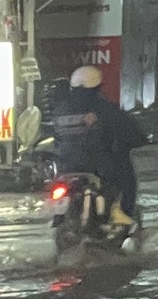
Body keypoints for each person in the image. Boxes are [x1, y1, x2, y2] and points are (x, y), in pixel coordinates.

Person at [51, 63, 145, 224]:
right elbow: (130, 130)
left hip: (66, 166)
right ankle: (123, 214)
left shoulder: (60, 110)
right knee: (126, 178)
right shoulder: (105, 109)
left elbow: (54, 137)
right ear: (97, 87)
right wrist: (139, 140)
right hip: (101, 166)